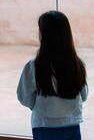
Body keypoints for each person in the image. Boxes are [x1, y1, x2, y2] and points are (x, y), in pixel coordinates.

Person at [17, 11, 88, 140]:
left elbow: (24, 97)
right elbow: (84, 95)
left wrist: (38, 105)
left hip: (43, 126)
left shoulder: (33, 66)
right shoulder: (78, 65)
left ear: (43, 35)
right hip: (72, 126)